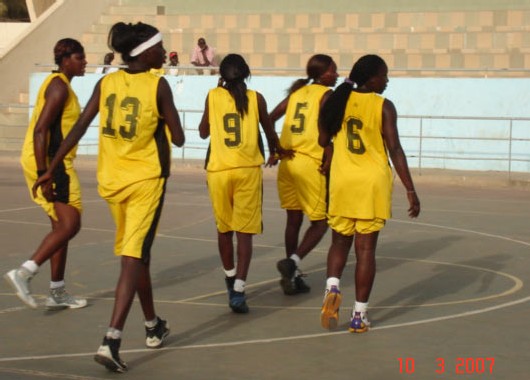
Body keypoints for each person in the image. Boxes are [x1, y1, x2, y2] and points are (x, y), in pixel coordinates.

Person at [34, 21, 185, 372]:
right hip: (146, 180)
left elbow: (80, 125)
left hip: (112, 181)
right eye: (159, 48)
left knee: (136, 255)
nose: (164, 53)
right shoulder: (158, 85)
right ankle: (111, 339)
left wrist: (50, 166)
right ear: (145, 51)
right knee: (133, 256)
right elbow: (177, 138)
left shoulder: (107, 82)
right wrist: (165, 120)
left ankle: (152, 325)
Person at [318, 54, 420, 333]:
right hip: (371, 184)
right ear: (371, 77)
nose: (387, 81)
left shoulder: (334, 100)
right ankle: (358, 316)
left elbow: (322, 140)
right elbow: (395, 149)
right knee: (365, 251)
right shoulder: (383, 106)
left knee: (339, 243)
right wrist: (410, 189)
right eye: (384, 75)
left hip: (342, 180)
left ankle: (332, 287)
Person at [4, 38, 88, 311]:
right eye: (79, 57)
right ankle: (25, 271)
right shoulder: (58, 88)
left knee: (59, 228)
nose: (84, 61)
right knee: (70, 223)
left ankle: (57, 292)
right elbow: (42, 130)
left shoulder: (60, 85)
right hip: (52, 162)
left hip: (49, 160)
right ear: (65, 60)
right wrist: (45, 172)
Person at [198, 54, 281, 314]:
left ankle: (230, 277)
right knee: (245, 233)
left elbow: (203, 131)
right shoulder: (256, 98)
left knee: (225, 230)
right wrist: (275, 150)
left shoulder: (213, 96)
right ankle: (239, 289)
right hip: (247, 171)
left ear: (221, 76)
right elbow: (269, 130)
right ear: (246, 74)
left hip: (219, 170)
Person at [268, 54, 338, 295]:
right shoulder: (325, 95)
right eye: (334, 70)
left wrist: (275, 146)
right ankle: (293, 263)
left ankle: (292, 276)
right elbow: (327, 131)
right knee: (321, 222)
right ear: (323, 73)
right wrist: (329, 155)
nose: (337, 75)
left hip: (288, 162)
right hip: (310, 163)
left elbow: (269, 118)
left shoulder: (297, 94)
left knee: (293, 220)